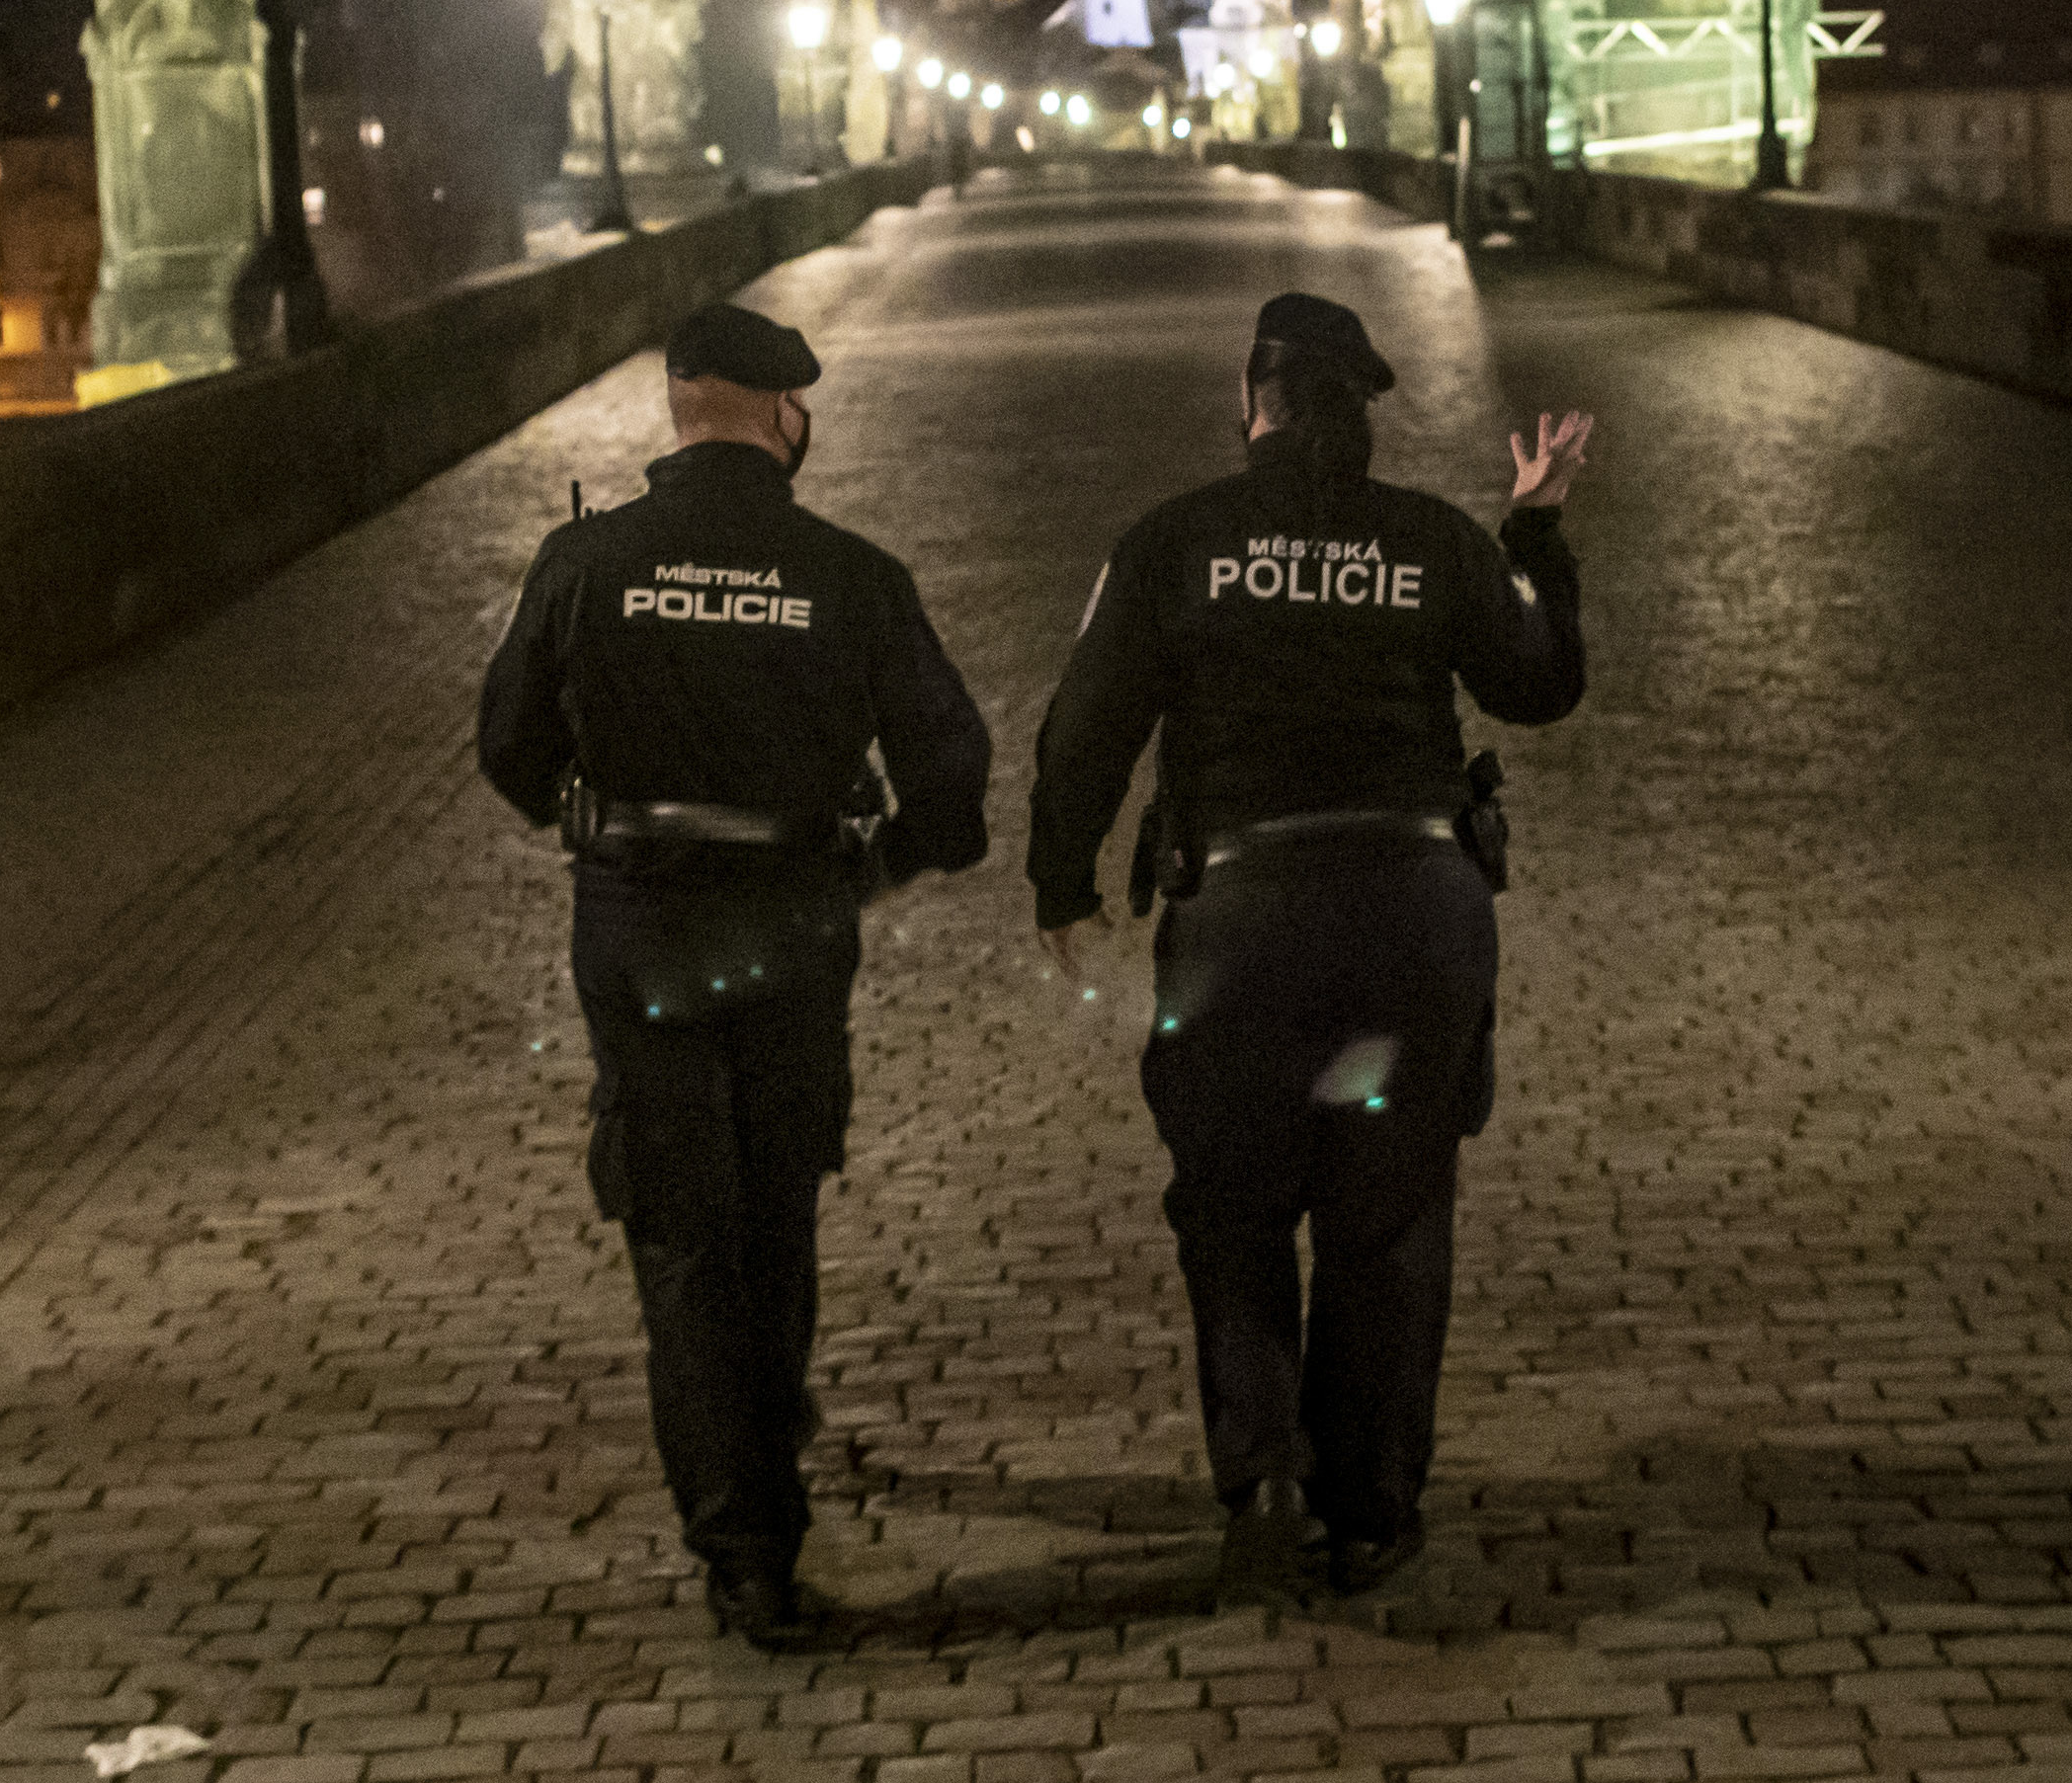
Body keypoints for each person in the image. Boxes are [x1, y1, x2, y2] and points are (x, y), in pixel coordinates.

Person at [1028, 291, 1593, 1606]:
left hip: (1240, 923)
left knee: (1231, 1209)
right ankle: (1373, 1510)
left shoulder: (1176, 542)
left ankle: (1263, 1475)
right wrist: (1539, 525)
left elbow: (1085, 727)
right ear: (1363, 414)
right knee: (1387, 1218)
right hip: (1413, 915)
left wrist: (1063, 880)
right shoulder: (1433, 542)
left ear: (1255, 402)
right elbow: (1540, 680)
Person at [478, 301, 992, 1651]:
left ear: (673, 407)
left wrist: (596, 823)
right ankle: (774, 1470)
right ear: (784, 416)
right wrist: (892, 861)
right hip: (790, 928)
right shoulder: (851, 573)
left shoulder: (586, 560)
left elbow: (508, 748)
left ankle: (741, 1545)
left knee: (684, 1240)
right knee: (775, 1218)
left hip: (640, 931)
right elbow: (953, 772)